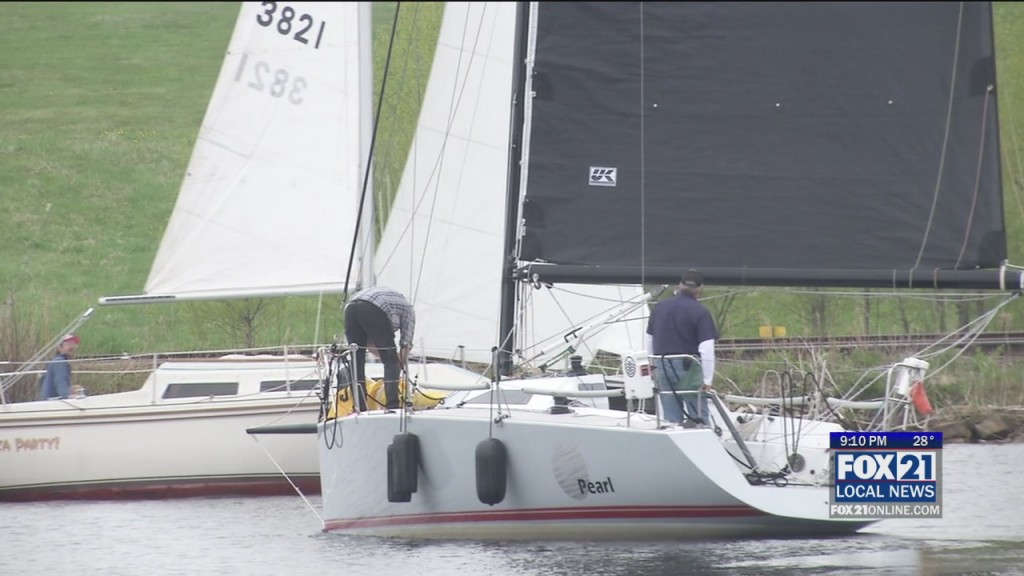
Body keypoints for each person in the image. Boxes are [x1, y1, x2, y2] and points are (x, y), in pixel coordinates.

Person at [645, 270, 718, 426]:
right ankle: (700, 435)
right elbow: (706, 347)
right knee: (697, 415)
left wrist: (651, 366)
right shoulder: (700, 311)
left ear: (679, 285)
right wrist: (707, 379)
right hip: (688, 367)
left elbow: (649, 339)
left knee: (671, 418)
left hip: (661, 365)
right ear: (700, 289)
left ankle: (674, 433)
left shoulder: (659, 308)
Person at [344, 286, 416, 411]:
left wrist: (393, 360)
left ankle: (359, 407)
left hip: (351, 308)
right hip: (374, 308)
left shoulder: (393, 307)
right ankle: (392, 405)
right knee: (390, 360)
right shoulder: (408, 310)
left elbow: (371, 345)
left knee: (356, 361)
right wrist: (398, 364)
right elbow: (406, 344)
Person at [38, 334, 80, 401]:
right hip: (51, 403)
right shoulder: (60, 362)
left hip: (49, 401)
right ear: (60, 348)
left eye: (73, 344)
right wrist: (69, 394)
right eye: (68, 344)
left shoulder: (58, 361)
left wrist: (71, 390)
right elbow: (61, 386)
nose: (72, 347)